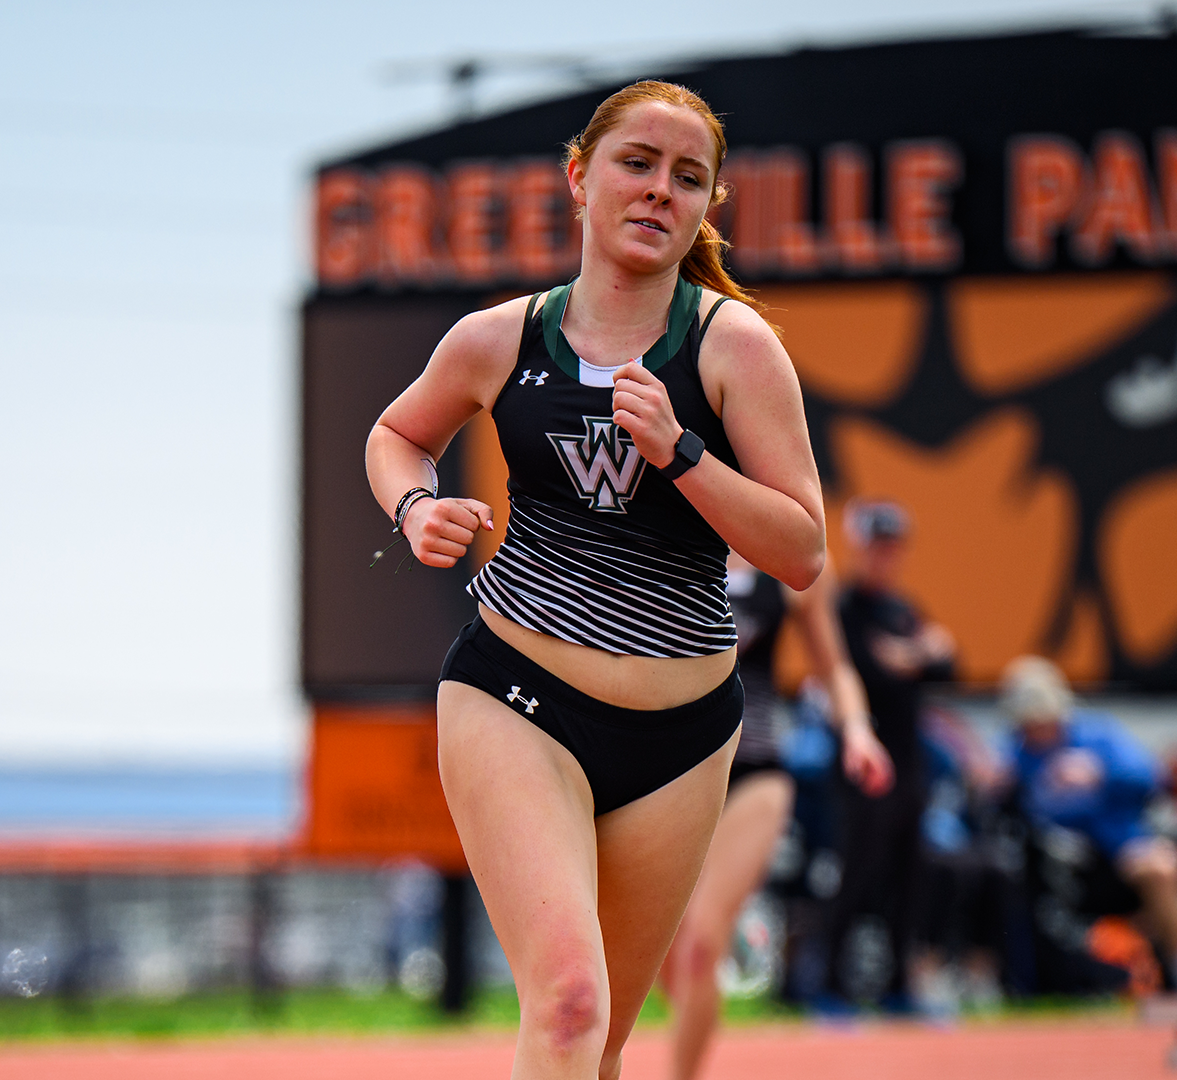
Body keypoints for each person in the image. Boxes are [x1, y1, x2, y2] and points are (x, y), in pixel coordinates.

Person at [365, 81, 826, 1080]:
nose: (661, 190)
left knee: (605, 1040)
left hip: (681, 732)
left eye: (688, 176)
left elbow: (801, 550)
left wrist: (683, 453)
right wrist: (416, 509)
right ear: (580, 178)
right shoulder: (499, 338)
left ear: (709, 205)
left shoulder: (735, 348)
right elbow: (397, 435)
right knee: (569, 1004)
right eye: (637, 163)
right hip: (516, 697)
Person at [659, 554, 892, 1080]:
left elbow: (834, 668)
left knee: (700, 944)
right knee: (662, 955)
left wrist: (857, 730)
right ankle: (694, 1011)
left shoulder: (783, 554)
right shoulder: (665, 527)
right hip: (671, 772)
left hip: (756, 771)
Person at [824, 500, 956, 1009]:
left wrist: (917, 655)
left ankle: (902, 986)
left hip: (909, 760)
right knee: (857, 871)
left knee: (911, 875)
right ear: (860, 549)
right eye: (876, 547)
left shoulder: (903, 609)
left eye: (893, 548)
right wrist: (921, 653)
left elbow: (949, 664)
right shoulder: (845, 609)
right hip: (861, 760)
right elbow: (869, 670)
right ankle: (831, 984)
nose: (885, 557)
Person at [996, 656, 1177, 978]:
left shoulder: (1098, 736)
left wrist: (1098, 773)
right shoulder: (1013, 753)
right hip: (1061, 869)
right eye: (1029, 723)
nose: (1038, 731)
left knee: (1163, 864)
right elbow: (993, 790)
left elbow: (1149, 776)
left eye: (1044, 720)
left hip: (1119, 852)